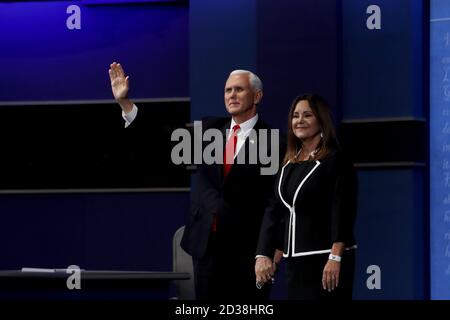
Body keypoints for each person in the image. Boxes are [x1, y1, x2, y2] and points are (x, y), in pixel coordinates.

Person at [109, 62, 284, 300]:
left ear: (257, 95)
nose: (232, 95)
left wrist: (266, 250)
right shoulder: (210, 130)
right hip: (206, 249)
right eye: (228, 90)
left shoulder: (273, 141)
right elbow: (164, 140)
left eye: (239, 90)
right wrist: (125, 104)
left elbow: (275, 202)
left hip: (247, 251)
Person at [255, 94, 357, 300]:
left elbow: (342, 210)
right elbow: (281, 212)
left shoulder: (335, 160)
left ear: (321, 121)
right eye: (295, 116)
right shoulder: (288, 162)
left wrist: (335, 256)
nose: (299, 121)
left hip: (326, 261)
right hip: (296, 264)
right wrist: (271, 257)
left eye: (307, 115)